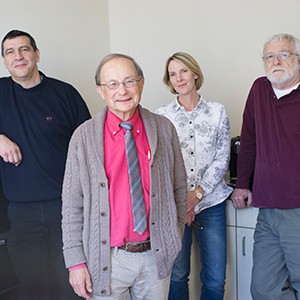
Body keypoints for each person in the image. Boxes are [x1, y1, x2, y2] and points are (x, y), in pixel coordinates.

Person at [61, 53, 187, 300]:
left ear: (141, 83)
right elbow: (72, 204)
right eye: (113, 84)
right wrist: (75, 262)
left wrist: (174, 234)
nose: (122, 91)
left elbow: (179, 188)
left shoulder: (163, 129)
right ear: (100, 90)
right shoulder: (83, 137)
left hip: (155, 256)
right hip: (106, 258)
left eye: (129, 81)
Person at [0, 29, 91, 300]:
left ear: (37, 54)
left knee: (71, 287)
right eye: (10, 52)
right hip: (20, 214)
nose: (18, 56)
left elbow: (89, 147)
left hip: (66, 210)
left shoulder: (65, 94)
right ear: (5, 61)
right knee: (33, 289)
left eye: (24, 49)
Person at [156, 52, 232, 300]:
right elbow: (162, 163)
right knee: (177, 274)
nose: (179, 78)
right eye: (173, 74)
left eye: (183, 71)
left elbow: (222, 158)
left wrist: (197, 195)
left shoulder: (217, 112)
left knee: (214, 277)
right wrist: (183, 199)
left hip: (211, 203)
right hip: (175, 207)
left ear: (195, 73)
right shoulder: (162, 116)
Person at [231, 33, 300, 300]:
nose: (276, 61)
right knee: (263, 287)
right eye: (269, 56)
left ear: (297, 59)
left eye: (283, 54)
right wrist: (242, 184)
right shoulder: (260, 88)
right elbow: (248, 138)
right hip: (267, 207)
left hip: (297, 208)